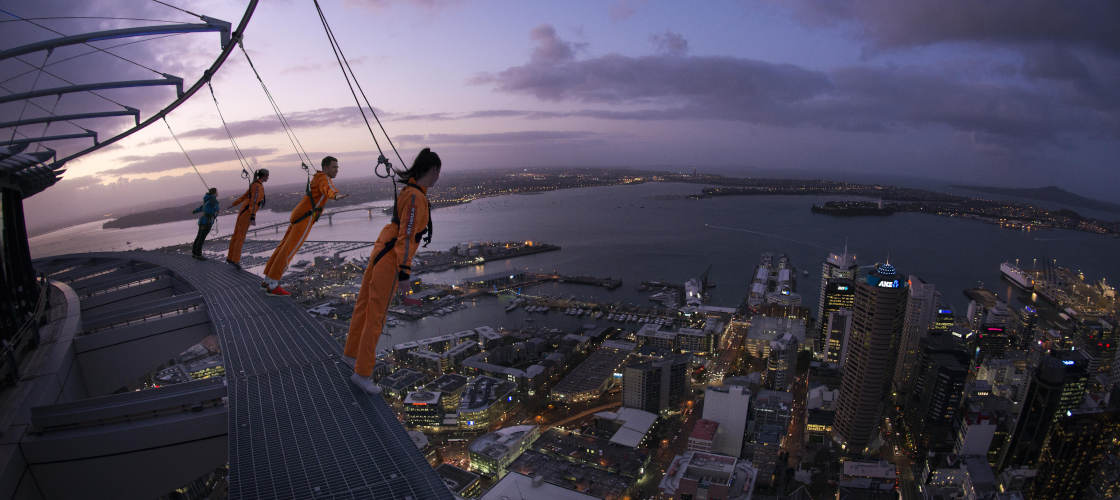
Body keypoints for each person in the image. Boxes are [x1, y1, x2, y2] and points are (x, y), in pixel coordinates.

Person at [345, 148, 441, 394]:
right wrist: (404, 274)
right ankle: (362, 372)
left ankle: (351, 355)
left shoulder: (411, 191)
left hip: (382, 250)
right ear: (432, 170)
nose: (438, 176)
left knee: (364, 307)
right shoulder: (415, 197)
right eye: (437, 171)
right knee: (376, 317)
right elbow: (407, 238)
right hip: (390, 260)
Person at [261, 156, 348, 295]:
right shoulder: (324, 178)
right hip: (305, 217)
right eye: (334, 167)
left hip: (299, 214)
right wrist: (336, 195)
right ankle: (273, 285)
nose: (337, 170)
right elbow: (328, 188)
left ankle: (267, 279)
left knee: (283, 247)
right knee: (289, 250)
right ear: (325, 167)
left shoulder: (318, 176)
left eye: (337, 167)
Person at [226, 169, 269, 269]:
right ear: (264, 176)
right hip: (247, 213)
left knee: (236, 235)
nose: (268, 177)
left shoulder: (255, 185)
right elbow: (254, 202)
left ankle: (230, 257)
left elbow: (244, 197)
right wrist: (253, 216)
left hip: (243, 212)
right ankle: (235, 260)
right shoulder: (257, 186)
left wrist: (233, 204)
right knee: (240, 237)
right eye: (267, 176)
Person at [191, 188, 219, 260]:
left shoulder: (207, 200)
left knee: (198, 237)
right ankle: (198, 255)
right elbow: (217, 210)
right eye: (217, 192)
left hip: (202, 221)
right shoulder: (213, 201)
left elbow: (202, 208)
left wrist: (194, 211)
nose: (218, 193)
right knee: (201, 238)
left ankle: (194, 253)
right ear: (214, 193)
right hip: (207, 222)